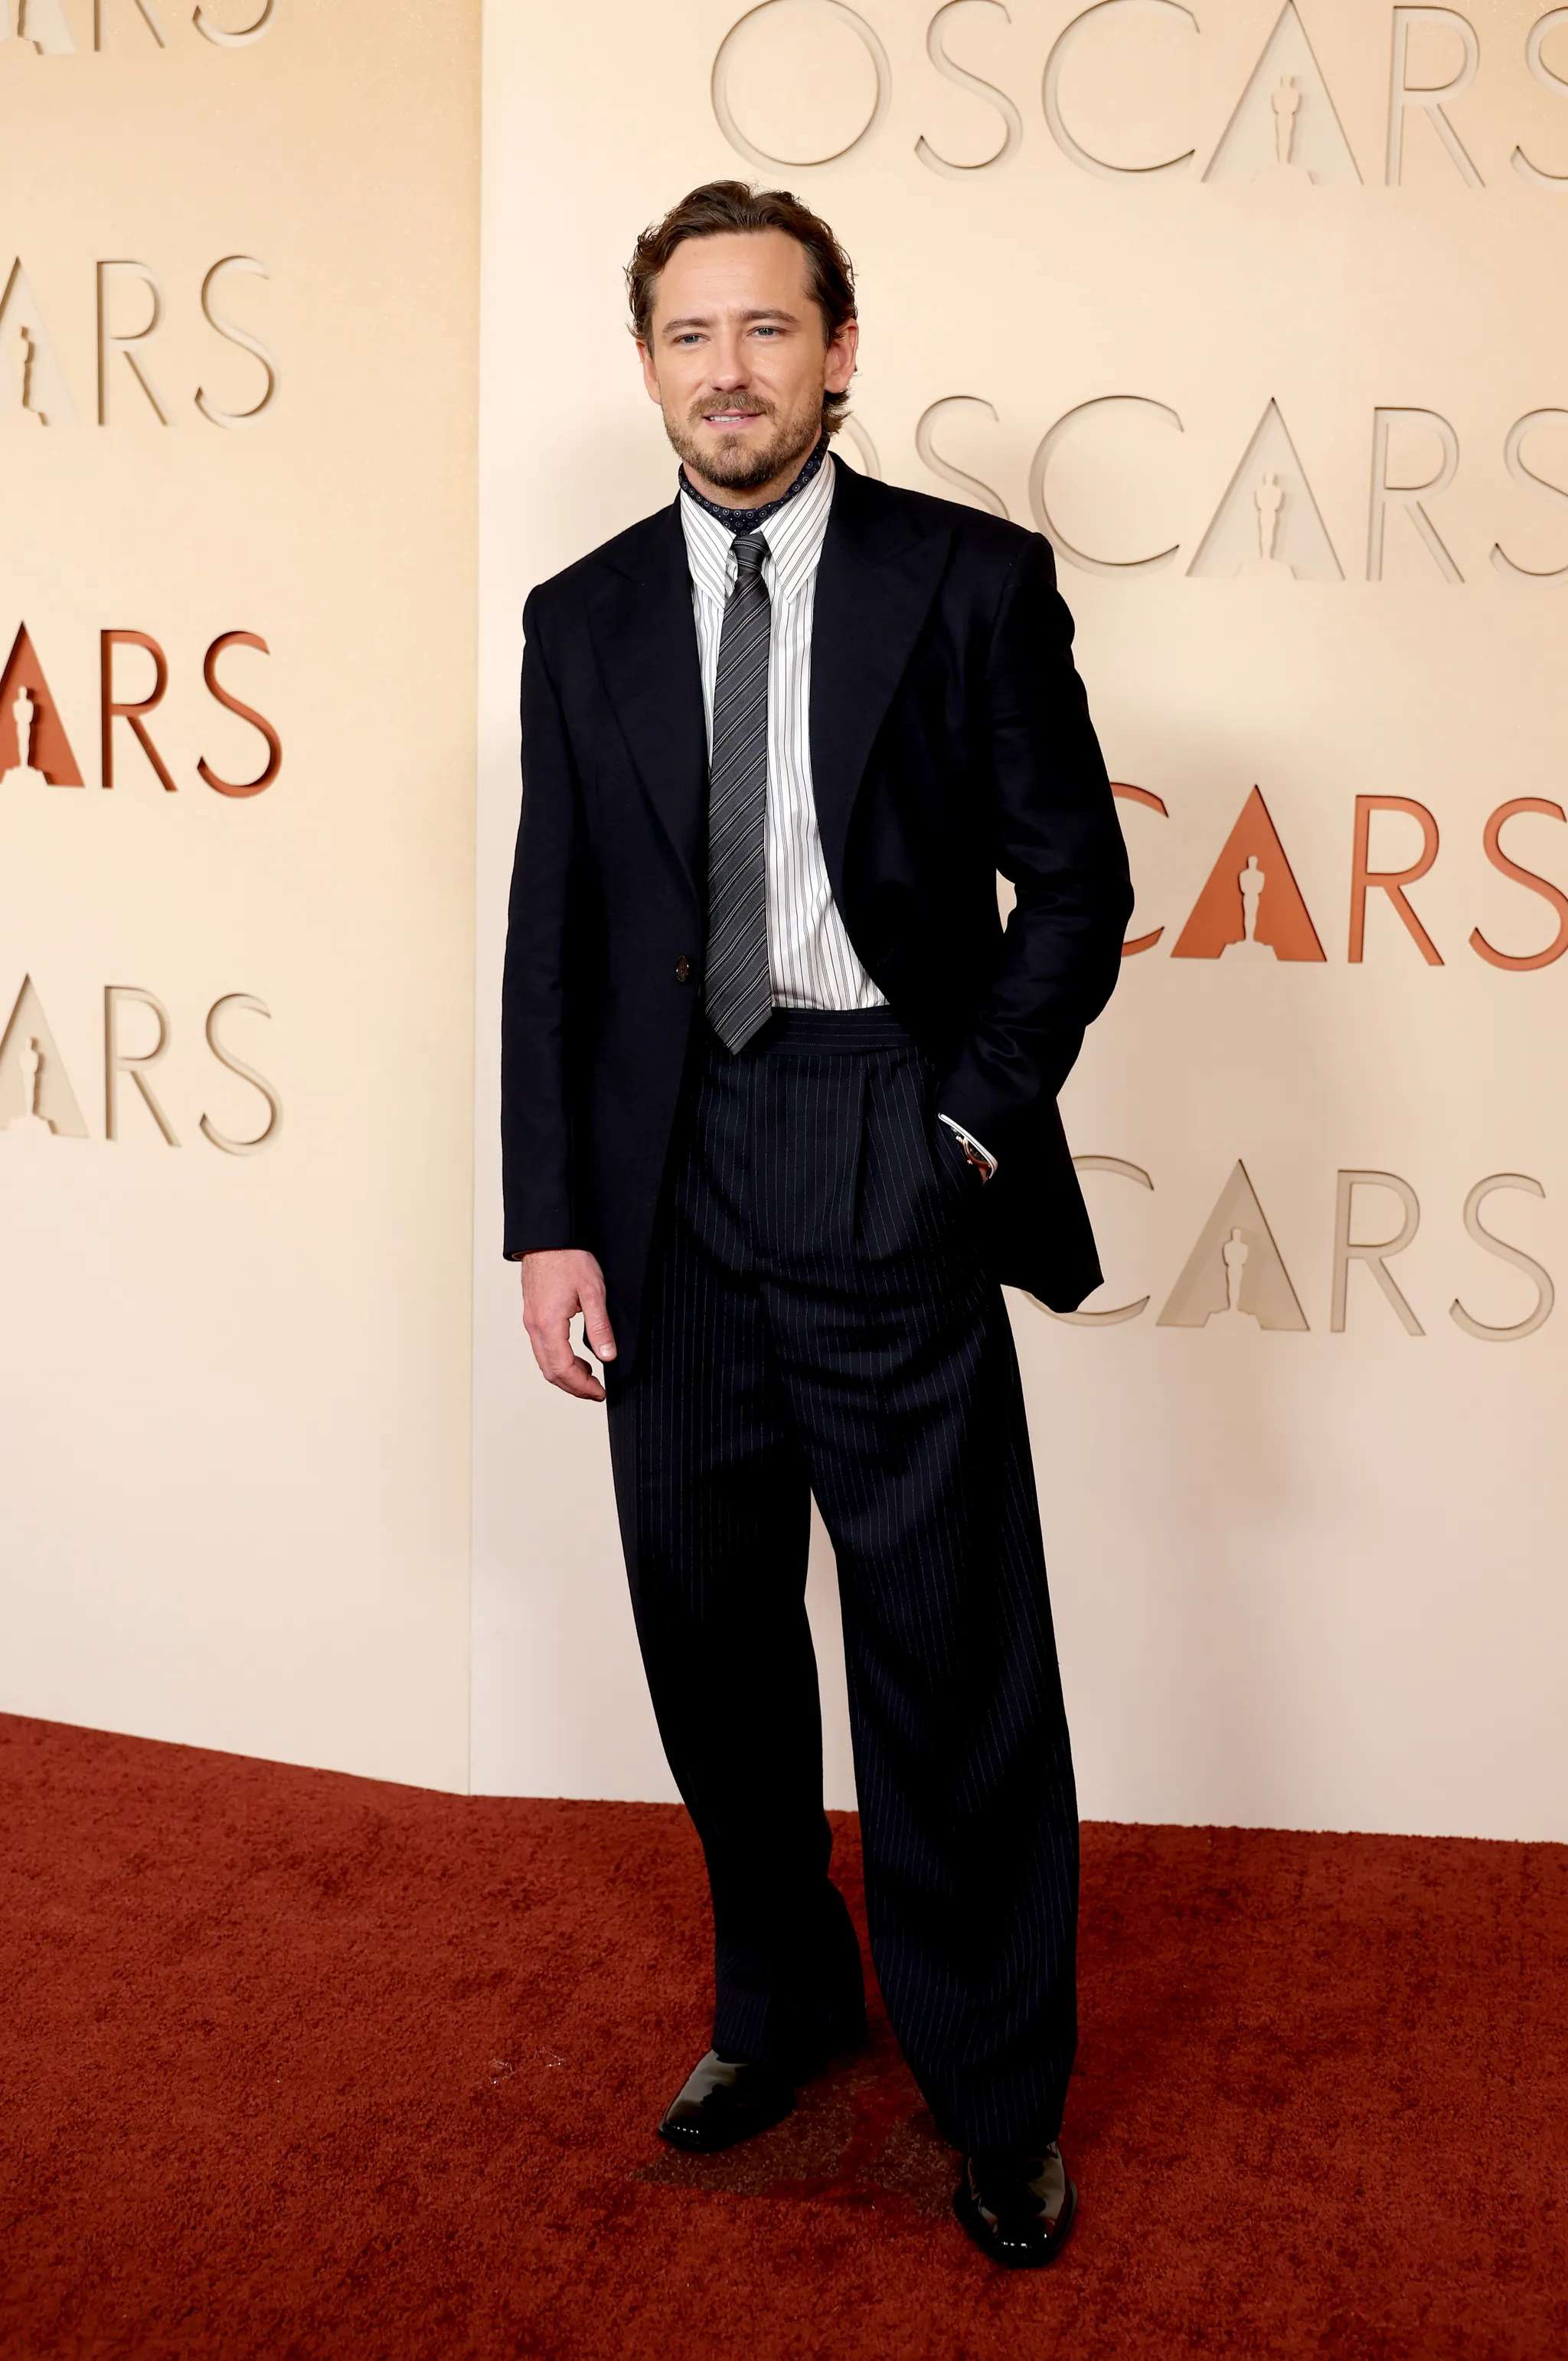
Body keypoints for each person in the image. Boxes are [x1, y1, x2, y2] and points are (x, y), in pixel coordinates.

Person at [500, 178, 1135, 2270]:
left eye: (768, 329)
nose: (730, 371)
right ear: (649, 365)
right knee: (710, 1637)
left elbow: (1078, 885)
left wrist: (963, 1123)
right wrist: (551, 1222)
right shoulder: (581, 616)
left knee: (949, 1655)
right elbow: (556, 939)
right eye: (691, 335)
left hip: (885, 1133)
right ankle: (779, 2000)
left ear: (838, 351)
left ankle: (998, 2091)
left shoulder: (966, 581)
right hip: (664, 1182)